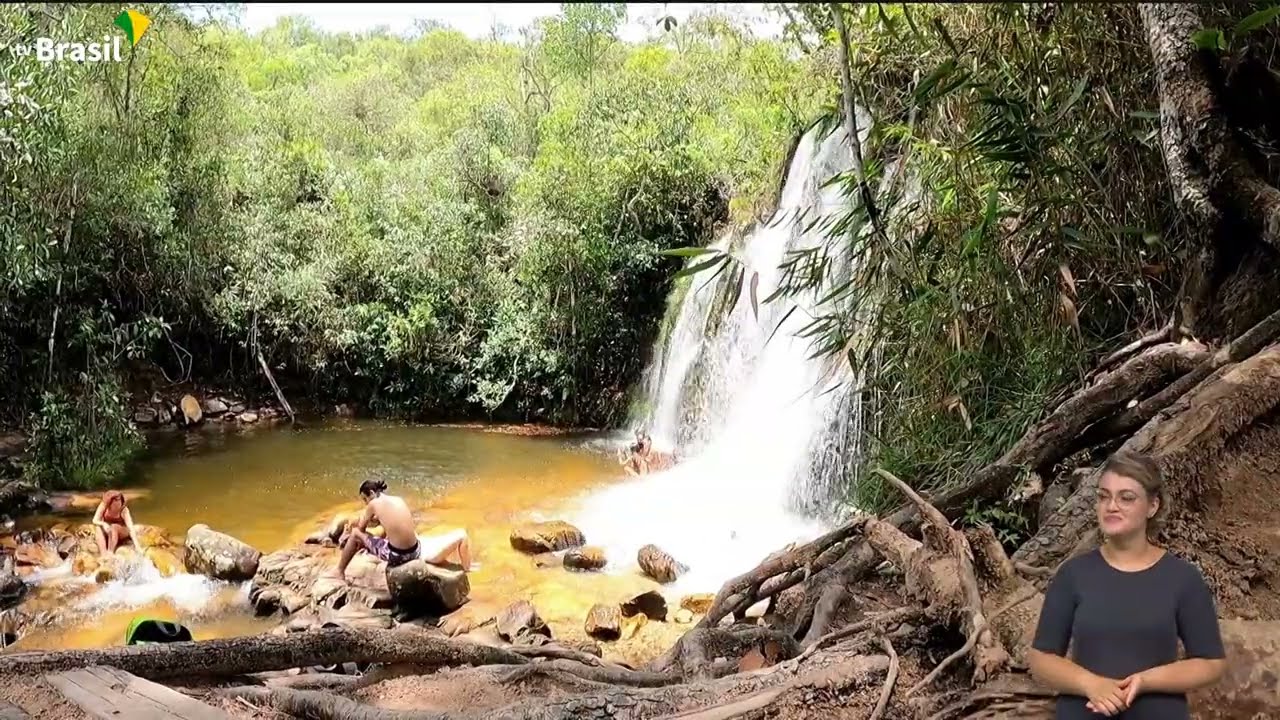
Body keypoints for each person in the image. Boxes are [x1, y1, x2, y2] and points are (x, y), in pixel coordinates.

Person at [1027, 450, 1226, 719]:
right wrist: (1091, 684)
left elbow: (1211, 663)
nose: (1111, 506)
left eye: (1126, 498)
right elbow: (1042, 659)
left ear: (1152, 506)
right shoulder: (1073, 574)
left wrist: (1145, 681)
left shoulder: (1183, 578)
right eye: (1103, 496)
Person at [327, 479, 472, 583]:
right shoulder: (398, 499)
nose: (366, 503)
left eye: (365, 499)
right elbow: (391, 523)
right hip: (416, 549)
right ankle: (467, 569)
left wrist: (362, 524)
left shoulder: (374, 504)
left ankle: (339, 571)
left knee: (355, 535)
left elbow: (361, 529)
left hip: (399, 556)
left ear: (371, 493)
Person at [92, 490, 142, 556]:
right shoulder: (103, 505)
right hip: (108, 530)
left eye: (119, 501)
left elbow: (130, 527)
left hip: (121, 531)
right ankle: (103, 554)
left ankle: (110, 552)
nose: (118, 504)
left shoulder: (124, 510)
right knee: (98, 527)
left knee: (114, 527)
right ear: (109, 502)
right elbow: (95, 520)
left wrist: (137, 546)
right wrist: (103, 524)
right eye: (115, 501)